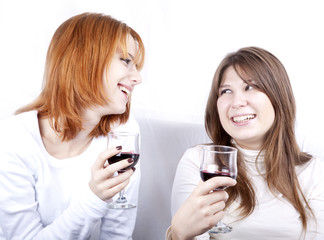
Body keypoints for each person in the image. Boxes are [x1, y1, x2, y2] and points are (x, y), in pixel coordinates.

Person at [0, 12, 145, 239]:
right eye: (126, 61)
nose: (137, 78)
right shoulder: (13, 139)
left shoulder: (123, 133)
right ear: (85, 61)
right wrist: (94, 197)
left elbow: (117, 234)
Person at [167, 47, 324, 240]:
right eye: (226, 91)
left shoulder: (314, 171)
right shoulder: (199, 161)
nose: (237, 102)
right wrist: (179, 235)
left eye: (250, 87)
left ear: (278, 97)